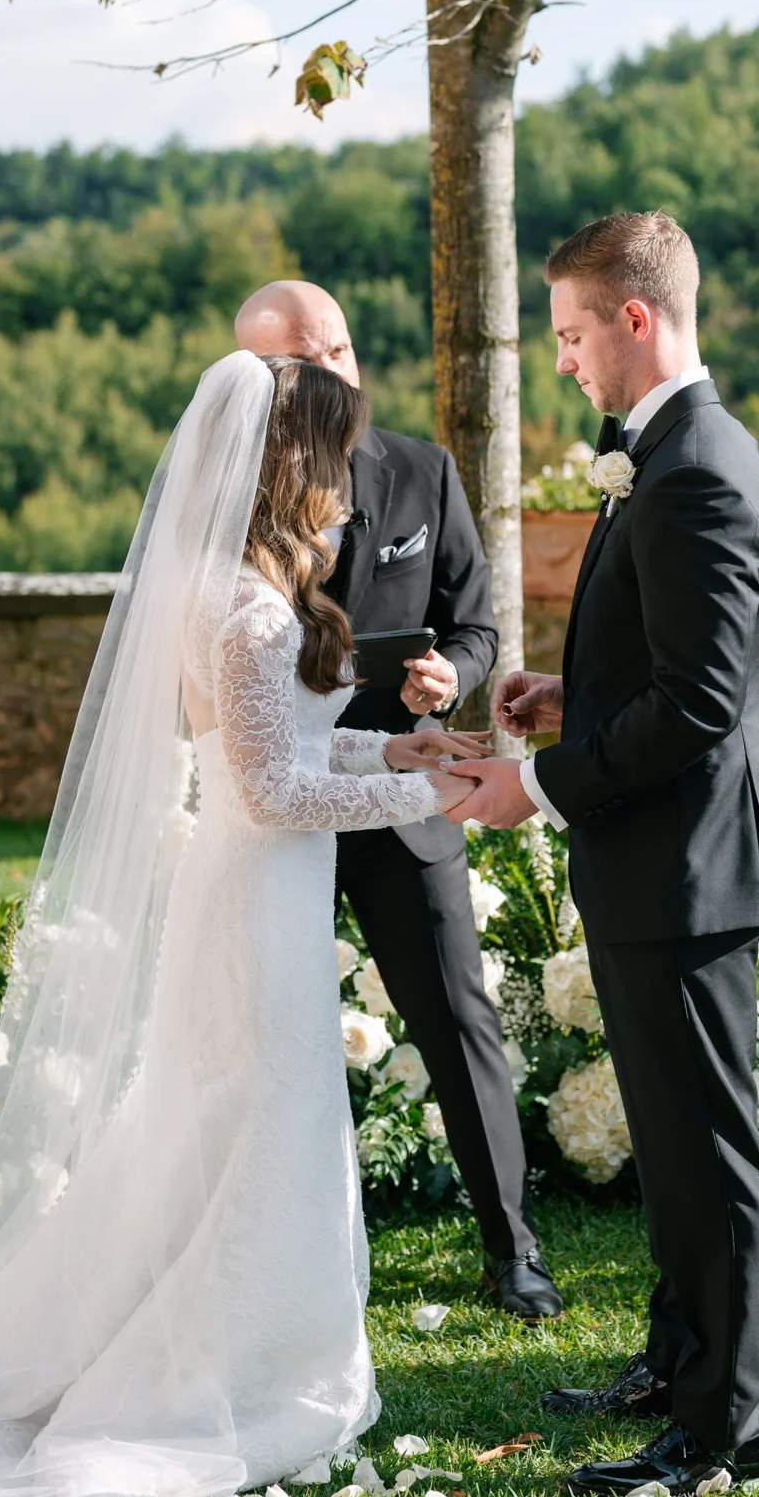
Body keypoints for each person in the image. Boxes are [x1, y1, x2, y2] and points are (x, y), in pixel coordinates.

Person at [0, 352, 480, 1497]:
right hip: (252, 896)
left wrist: (394, 746)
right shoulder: (248, 609)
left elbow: (269, 748)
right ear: (292, 465)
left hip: (250, 896)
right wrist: (430, 792)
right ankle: (222, 1371)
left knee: (220, 1128)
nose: (345, 491)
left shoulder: (240, 590)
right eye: (332, 460)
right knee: (249, 1128)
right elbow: (269, 791)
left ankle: (228, 1345)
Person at [450, 212, 759, 1497]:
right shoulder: (659, 451)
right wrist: (565, 694)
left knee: (709, 1149)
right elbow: (657, 666)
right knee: (670, 1134)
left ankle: (724, 1432)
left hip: (683, 864)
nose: (564, 362)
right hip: (655, 856)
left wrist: (530, 782)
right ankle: (676, 1362)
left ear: (633, 321)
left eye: (572, 334)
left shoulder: (698, 464)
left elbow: (699, 705)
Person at [233, 280, 563, 1321]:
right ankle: (256, 1252)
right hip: (270, 806)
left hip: (400, 785)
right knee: (254, 1033)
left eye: (340, 349)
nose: (334, 373)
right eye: (304, 360)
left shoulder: (422, 470)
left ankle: (511, 1246)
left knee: (458, 1018)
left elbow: (474, 627)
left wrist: (445, 678)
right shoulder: (224, 489)